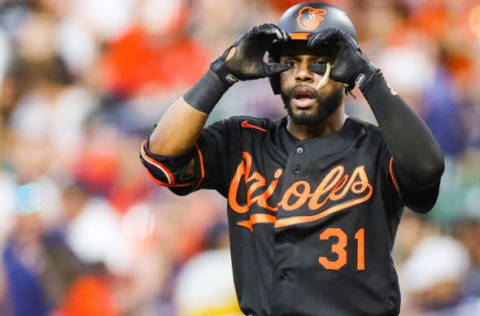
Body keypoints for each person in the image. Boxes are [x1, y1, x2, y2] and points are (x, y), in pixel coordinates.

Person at [140, 2, 445, 315]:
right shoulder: (243, 139)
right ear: (275, 75)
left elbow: (427, 169)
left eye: (318, 63)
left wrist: (369, 77)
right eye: (291, 63)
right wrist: (222, 73)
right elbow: (161, 157)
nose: (302, 74)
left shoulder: (377, 147)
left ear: (344, 72)